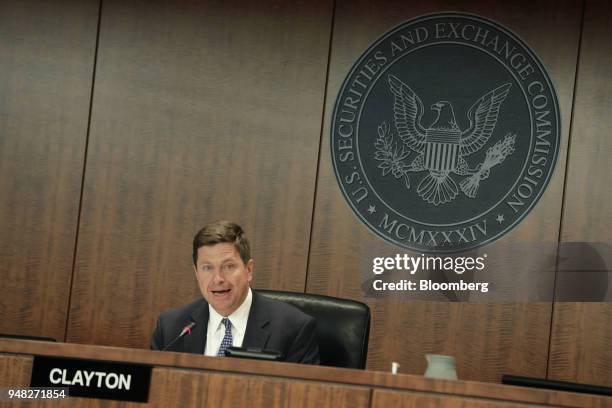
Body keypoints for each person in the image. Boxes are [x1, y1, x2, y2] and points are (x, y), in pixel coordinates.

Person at [150, 220, 319, 364]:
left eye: (228, 266)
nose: (218, 279)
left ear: (249, 270)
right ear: (196, 273)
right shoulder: (171, 329)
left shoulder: (293, 329)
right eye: (207, 268)